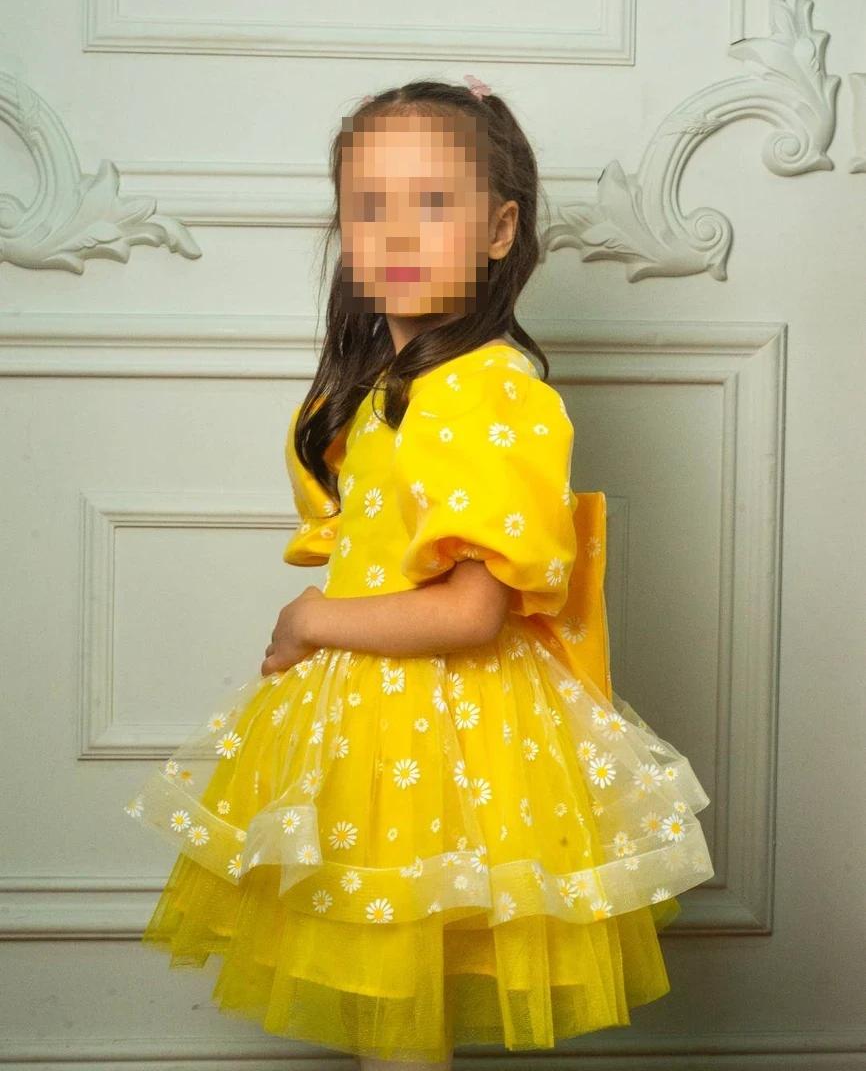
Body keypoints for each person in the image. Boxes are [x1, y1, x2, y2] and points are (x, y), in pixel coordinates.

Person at [122, 76, 714, 1069]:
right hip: (373, 728)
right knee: (392, 1013)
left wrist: (310, 618)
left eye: (431, 202)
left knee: (406, 1008)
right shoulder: (397, 389)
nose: (396, 230)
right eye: (368, 205)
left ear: (499, 230)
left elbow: (473, 613)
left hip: (445, 734)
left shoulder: (486, 392)